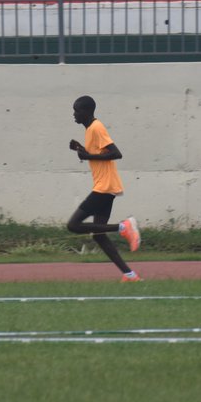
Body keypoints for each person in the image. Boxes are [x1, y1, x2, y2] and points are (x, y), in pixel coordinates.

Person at [68, 95, 141, 282]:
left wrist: (88, 156)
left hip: (104, 186)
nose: (74, 114)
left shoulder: (96, 127)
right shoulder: (90, 130)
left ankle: (124, 227)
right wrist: (81, 150)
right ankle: (130, 275)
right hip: (106, 186)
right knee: (99, 236)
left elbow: (116, 153)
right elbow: (97, 154)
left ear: (86, 111)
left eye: (76, 110)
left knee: (73, 225)